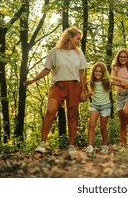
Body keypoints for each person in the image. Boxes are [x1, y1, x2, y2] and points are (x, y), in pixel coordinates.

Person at [24, 27, 87, 158]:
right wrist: (33, 80)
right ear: (69, 37)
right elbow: (46, 69)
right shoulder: (55, 52)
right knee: (51, 111)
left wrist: (83, 91)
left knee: (72, 116)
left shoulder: (79, 53)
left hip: (74, 86)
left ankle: (71, 146)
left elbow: (82, 73)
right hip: (58, 85)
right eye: (77, 39)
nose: (79, 42)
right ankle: (42, 143)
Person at [111, 49, 128, 147]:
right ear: (118, 58)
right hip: (120, 96)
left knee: (126, 111)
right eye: (121, 57)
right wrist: (123, 82)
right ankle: (123, 145)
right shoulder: (115, 67)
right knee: (122, 122)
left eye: (125, 57)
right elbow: (112, 80)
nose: (123, 59)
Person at [85, 62, 114, 156]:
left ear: (103, 73)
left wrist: (126, 84)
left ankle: (105, 146)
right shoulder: (92, 82)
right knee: (91, 125)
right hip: (94, 106)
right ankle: (90, 146)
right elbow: (86, 96)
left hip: (105, 106)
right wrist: (88, 95)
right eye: (96, 71)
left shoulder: (107, 81)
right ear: (93, 72)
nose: (98, 73)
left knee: (103, 128)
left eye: (100, 72)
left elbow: (116, 82)